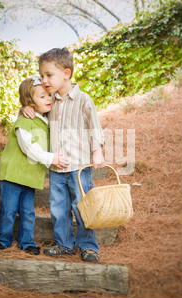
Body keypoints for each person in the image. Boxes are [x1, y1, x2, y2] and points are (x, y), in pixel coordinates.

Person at [21, 48, 105, 262]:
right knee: (58, 209)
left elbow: (95, 127)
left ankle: (88, 246)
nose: (44, 80)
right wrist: (24, 109)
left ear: (66, 74)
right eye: (42, 76)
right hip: (57, 168)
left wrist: (97, 151)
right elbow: (34, 106)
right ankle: (64, 244)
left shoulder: (83, 100)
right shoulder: (49, 101)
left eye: (49, 75)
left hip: (79, 167)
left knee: (83, 208)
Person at [0, 75, 69, 255]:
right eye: (42, 97)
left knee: (28, 212)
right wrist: (51, 158)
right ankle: (3, 239)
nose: (48, 99)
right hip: (12, 175)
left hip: (30, 177)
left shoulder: (48, 123)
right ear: (29, 103)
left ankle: (27, 242)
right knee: (8, 210)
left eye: (49, 95)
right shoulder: (25, 121)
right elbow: (29, 148)